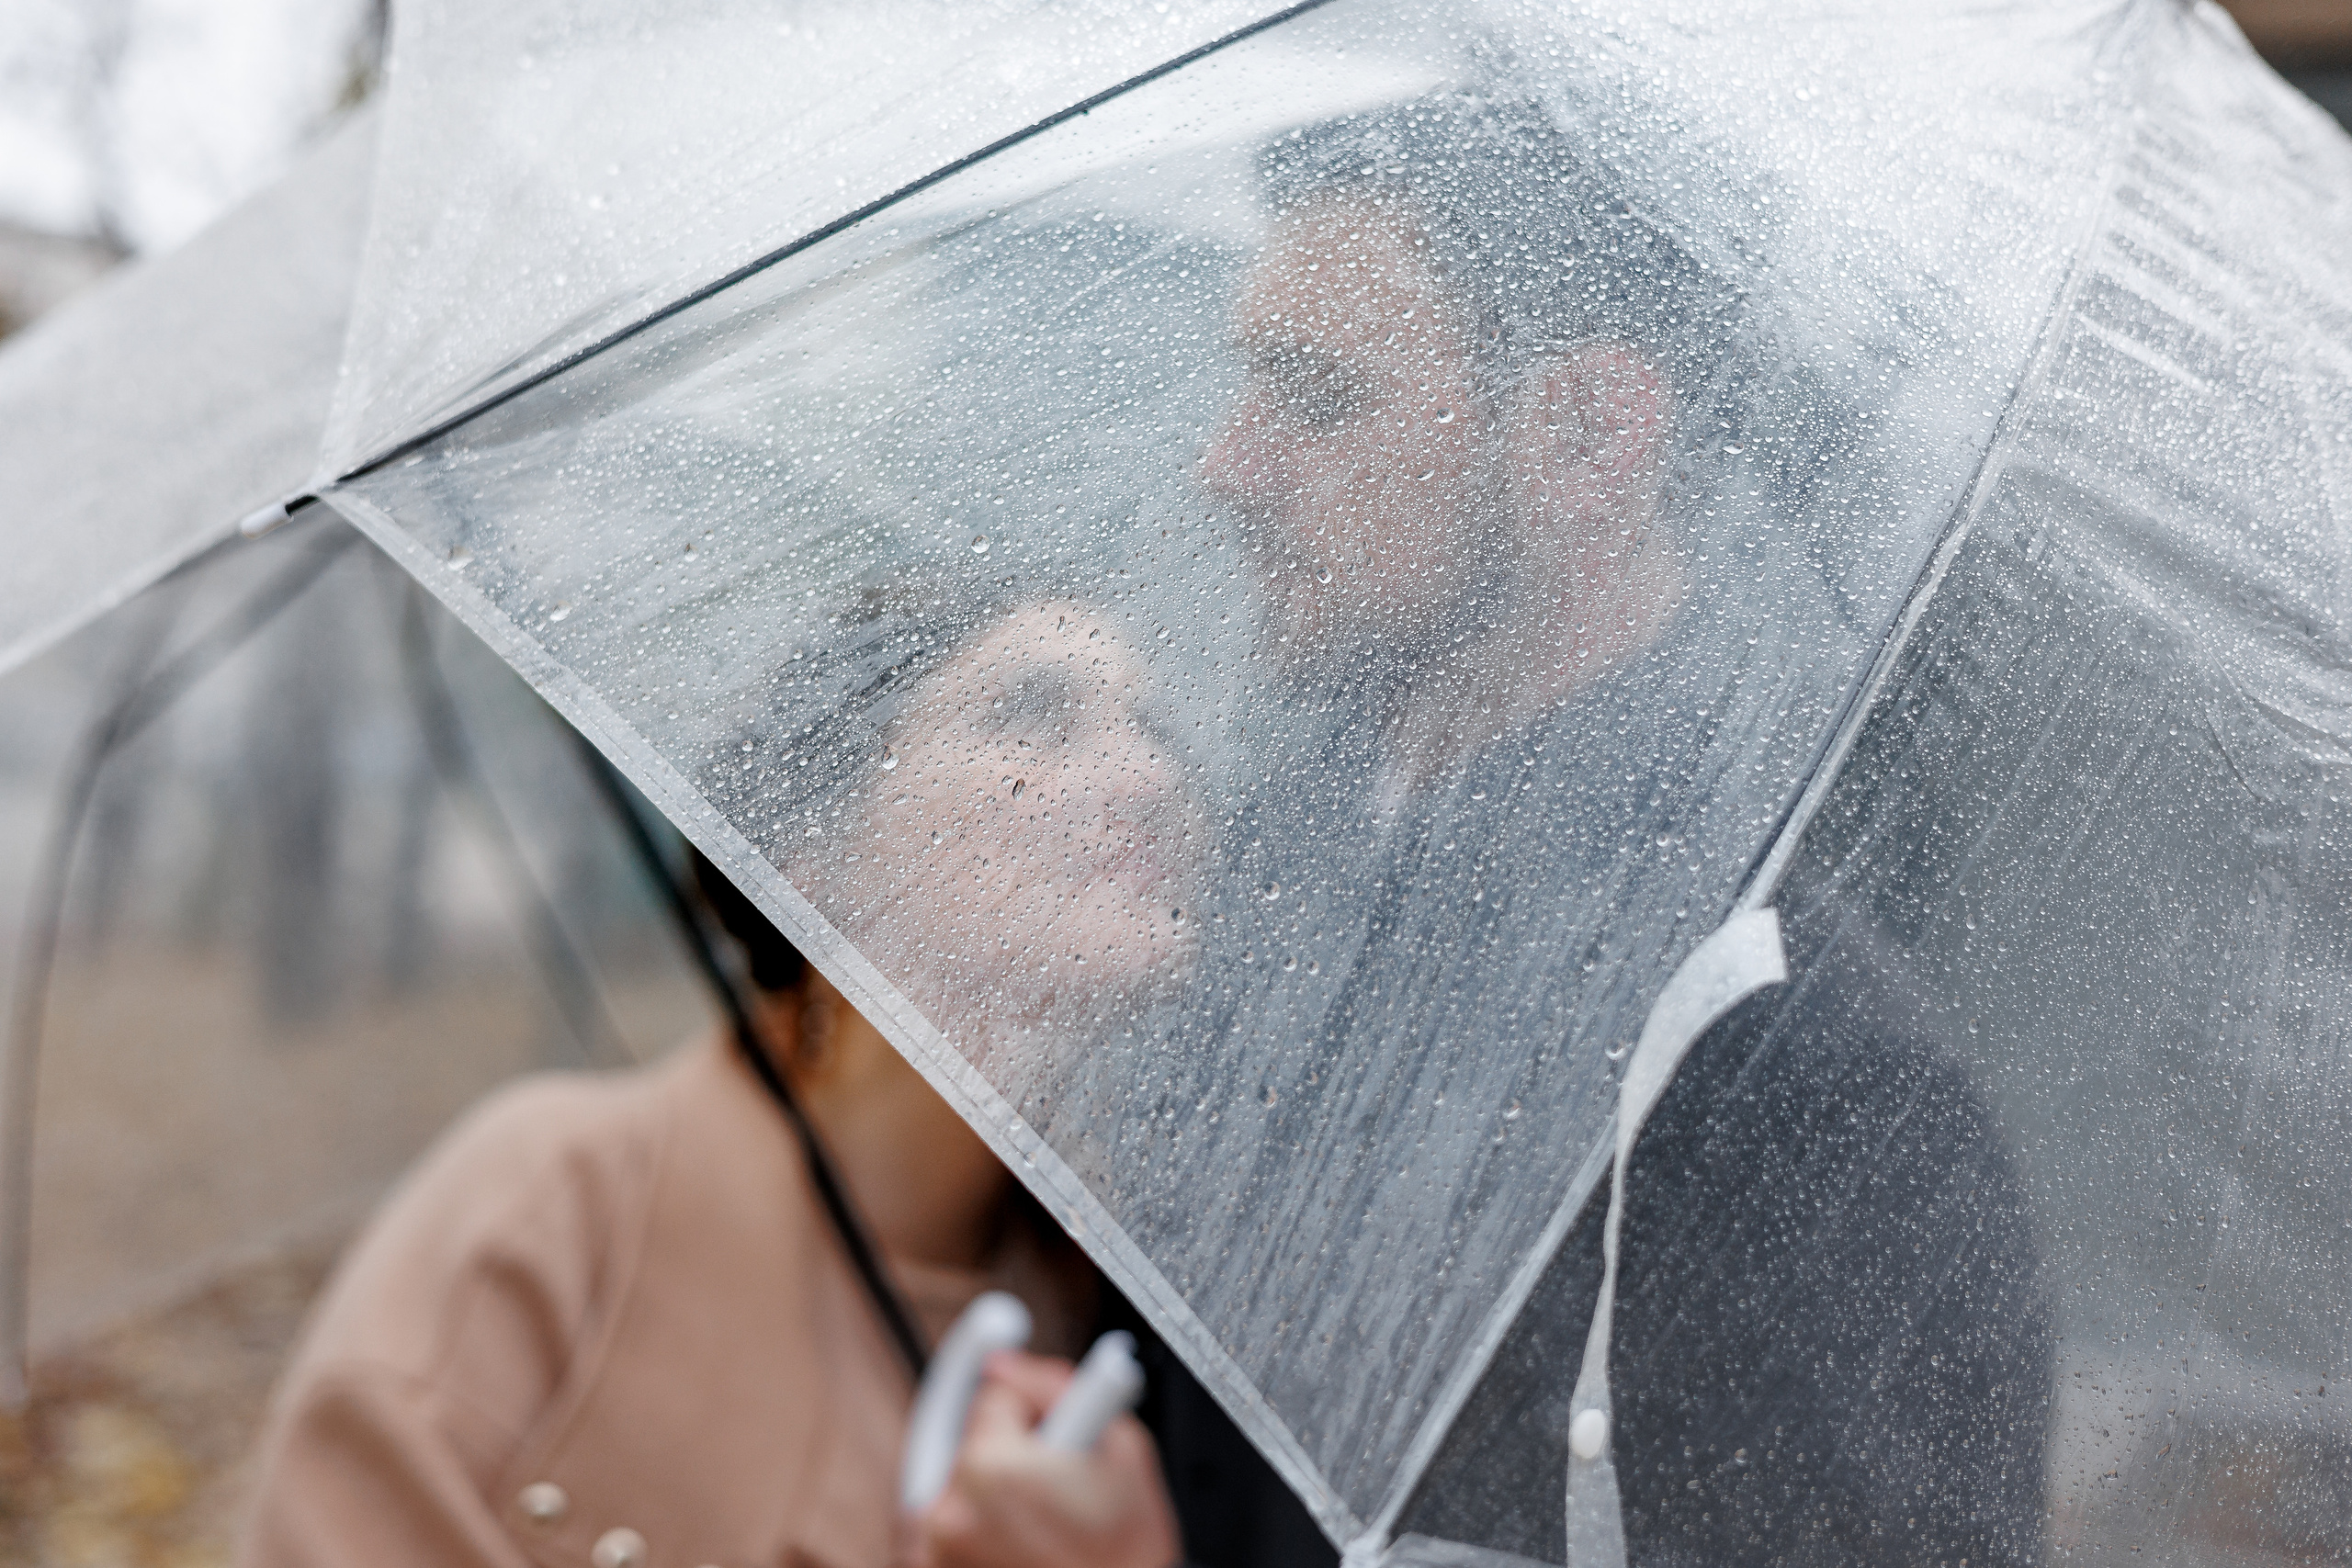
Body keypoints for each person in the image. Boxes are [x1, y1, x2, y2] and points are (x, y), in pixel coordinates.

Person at [1194, 96, 2052, 1566]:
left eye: (1319, 397)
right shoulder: (1261, 864)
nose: (1230, 466)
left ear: (1590, 439)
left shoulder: (1804, 1074)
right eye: (1245, 392)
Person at [237, 596, 1200, 1568]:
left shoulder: (1157, 1313)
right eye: (1032, 717)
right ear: (808, 863)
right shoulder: (556, 1211)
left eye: (1154, 730)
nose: (1153, 777)